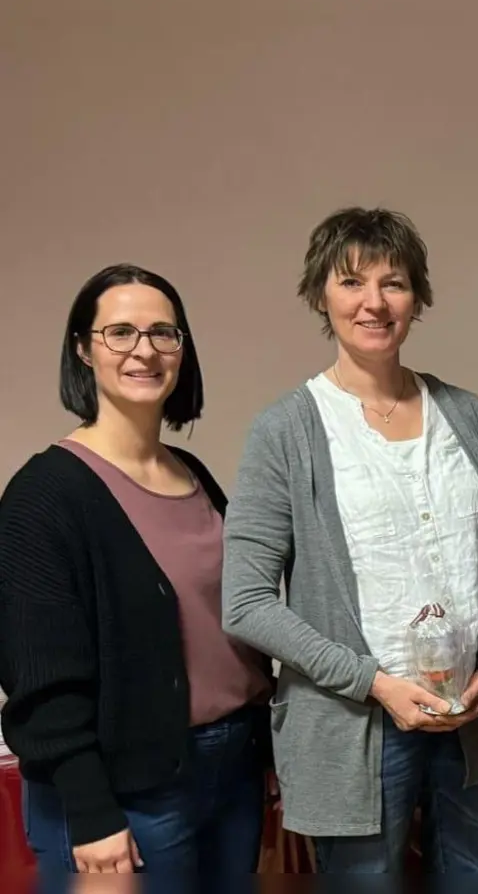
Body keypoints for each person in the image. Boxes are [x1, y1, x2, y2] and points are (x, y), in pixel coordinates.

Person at [222, 207, 478, 876]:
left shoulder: (465, 414)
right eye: (351, 281)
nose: (374, 302)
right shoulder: (285, 430)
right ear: (320, 295)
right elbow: (246, 602)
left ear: (417, 297)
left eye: (393, 283)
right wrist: (374, 684)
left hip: (474, 718)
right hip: (354, 724)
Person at [0, 265, 272, 891]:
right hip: (122, 796)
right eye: (119, 332)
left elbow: (232, 619)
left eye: (162, 333)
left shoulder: (195, 473)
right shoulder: (44, 496)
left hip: (230, 771)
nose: (143, 350)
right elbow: (39, 677)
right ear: (81, 348)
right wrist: (90, 812)